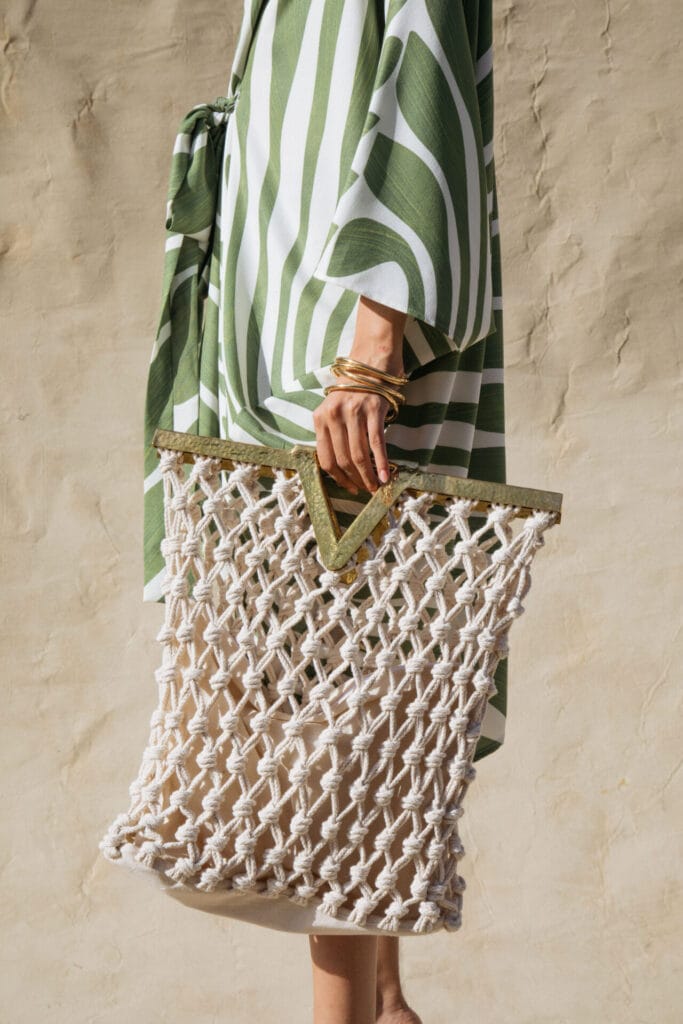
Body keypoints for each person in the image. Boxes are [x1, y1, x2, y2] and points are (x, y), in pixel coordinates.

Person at [140, 0, 506, 1020]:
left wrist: (373, 348)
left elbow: (429, 97)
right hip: (274, 341)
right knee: (340, 692)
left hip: (342, 361)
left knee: (340, 702)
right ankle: (379, 1004)